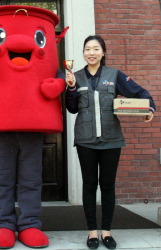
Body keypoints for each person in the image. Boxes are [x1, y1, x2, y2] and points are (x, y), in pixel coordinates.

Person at [65, 35, 155, 250]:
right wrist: (70, 88)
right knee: (89, 186)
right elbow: (71, 108)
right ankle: (92, 233)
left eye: (96, 49)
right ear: (83, 53)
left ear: (103, 52)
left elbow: (140, 92)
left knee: (107, 187)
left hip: (111, 141)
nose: (91, 53)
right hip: (86, 140)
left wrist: (149, 108)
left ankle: (106, 232)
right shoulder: (75, 76)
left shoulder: (114, 75)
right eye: (87, 49)